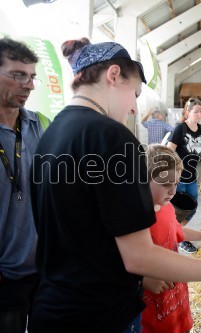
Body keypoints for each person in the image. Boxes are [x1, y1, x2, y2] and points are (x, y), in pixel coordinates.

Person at [30, 38, 201, 333]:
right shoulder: (111, 137)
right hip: (100, 314)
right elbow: (139, 255)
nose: (135, 109)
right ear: (113, 75)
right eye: (135, 94)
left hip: (53, 308)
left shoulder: (51, 133)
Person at [141, 144, 201, 333]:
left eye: (175, 183)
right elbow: (119, 259)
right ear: (143, 180)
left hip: (176, 295)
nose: (173, 191)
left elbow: (179, 233)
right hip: (151, 305)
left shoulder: (167, 209)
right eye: (166, 184)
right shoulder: (135, 220)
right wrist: (143, 279)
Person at [0, 37, 47, 333]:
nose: (28, 84)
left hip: (40, 270)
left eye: (32, 77)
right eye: (18, 75)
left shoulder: (35, 125)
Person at [167, 97, 201, 254]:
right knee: (175, 209)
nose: (199, 114)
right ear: (188, 112)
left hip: (191, 176)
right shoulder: (180, 129)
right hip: (178, 177)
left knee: (193, 207)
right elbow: (169, 151)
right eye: (195, 111)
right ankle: (175, 239)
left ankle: (177, 234)